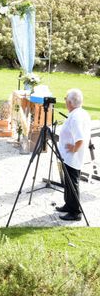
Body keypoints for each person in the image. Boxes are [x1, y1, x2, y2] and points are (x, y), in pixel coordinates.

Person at [56, 89, 92, 221]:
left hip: (72, 158)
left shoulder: (76, 117)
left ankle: (75, 212)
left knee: (72, 183)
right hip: (69, 157)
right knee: (68, 182)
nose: (65, 100)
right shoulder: (79, 113)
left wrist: (74, 148)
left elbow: (80, 138)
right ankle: (68, 205)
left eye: (66, 98)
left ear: (70, 102)